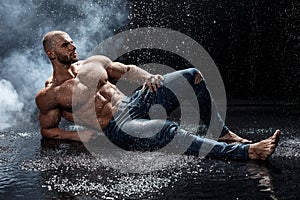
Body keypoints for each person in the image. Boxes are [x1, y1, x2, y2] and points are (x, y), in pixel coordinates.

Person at [35, 30, 280, 161]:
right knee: (167, 131)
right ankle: (247, 152)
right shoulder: (50, 94)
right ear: (51, 53)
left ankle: (222, 133)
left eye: (72, 42)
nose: (73, 46)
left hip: (134, 102)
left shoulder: (92, 63)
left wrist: (147, 78)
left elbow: (128, 70)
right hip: (117, 127)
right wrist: (79, 136)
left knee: (192, 75)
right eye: (66, 45)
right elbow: (47, 130)